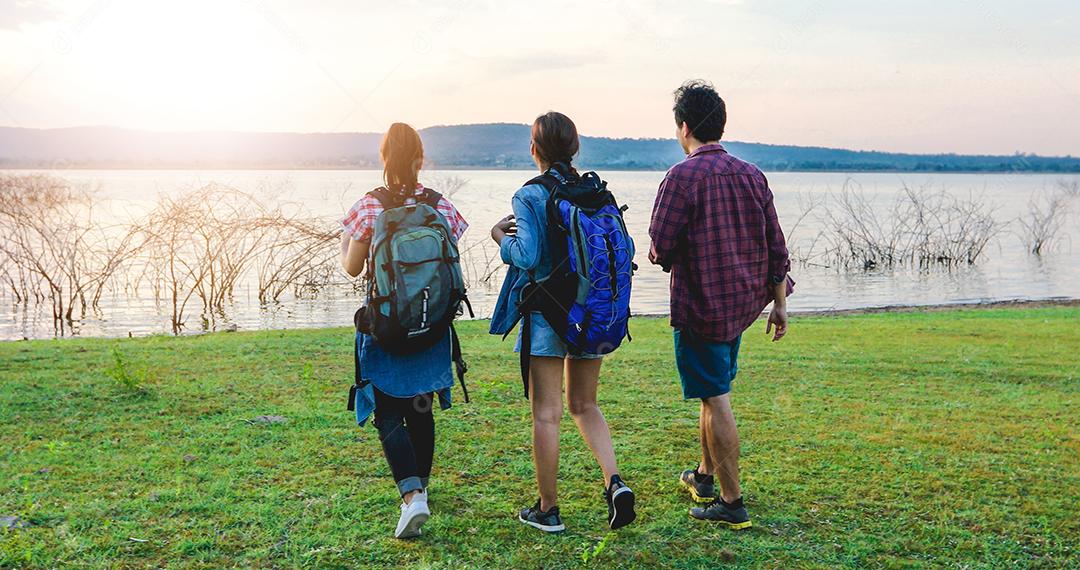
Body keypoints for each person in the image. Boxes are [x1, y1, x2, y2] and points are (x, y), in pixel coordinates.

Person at [648, 80, 793, 529]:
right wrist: (779, 302)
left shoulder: (681, 177)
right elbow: (776, 247)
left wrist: (659, 253)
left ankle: (731, 502)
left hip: (702, 308)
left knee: (717, 397)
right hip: (739, 308)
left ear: (684, 127)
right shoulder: (752, 174)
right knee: (712, 394)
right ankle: (705, 476)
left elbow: (661, 248)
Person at [489, 111, 637, 533]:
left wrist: (501, 238)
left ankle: (548, 509)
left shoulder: (530, 195)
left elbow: (529, 257)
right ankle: (615, 482)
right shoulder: (598, 193)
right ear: (575, 148)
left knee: (548, 413)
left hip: (547, 316)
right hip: (593, 311)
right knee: (585, 405)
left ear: (534, 149)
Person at [340, 122, 469, 539]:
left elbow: (352, 266)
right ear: (420, 159)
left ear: (383, 159)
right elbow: (447, 259)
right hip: (432, 323)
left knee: (388, 411)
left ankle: (413, 497)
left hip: (387, 325)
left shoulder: (369, 207)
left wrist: (347, 242)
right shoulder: (439, 205)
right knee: (420, 406)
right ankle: (422, 487)